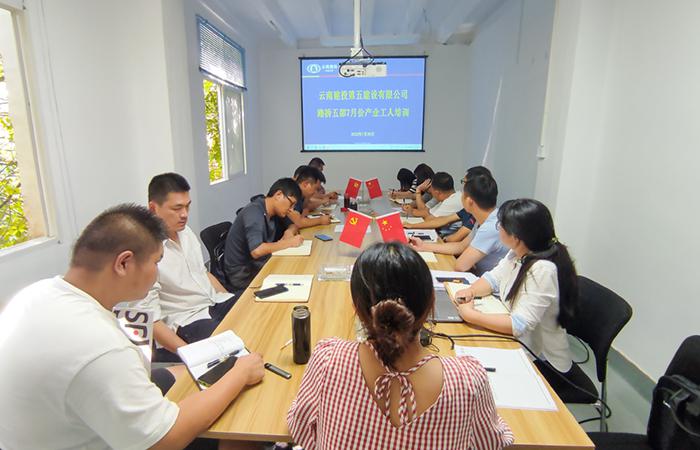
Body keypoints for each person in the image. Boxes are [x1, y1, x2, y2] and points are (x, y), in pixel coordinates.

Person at [0, 204, 264, 450]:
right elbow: (167, 440)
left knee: (188, 375)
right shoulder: (101, 345)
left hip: (46, 430)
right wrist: (240, 375)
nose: (157, 273)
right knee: (239, 427)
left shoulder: (37, 292)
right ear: (124, 263)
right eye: (156, 262)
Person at [287, 242, 513, 450]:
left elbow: (300, 428)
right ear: (431, 304)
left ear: (356, 307)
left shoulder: (329, 360)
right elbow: (491, 442)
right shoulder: (468, 380)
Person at [452, 199, 578, 383]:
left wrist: (472, 315)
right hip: (520, 346)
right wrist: (470, 291)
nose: (498, 229)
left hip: (544, 363)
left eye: (500, 226)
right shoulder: (516, 253)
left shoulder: (543, 270)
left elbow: (519, 325)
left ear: (516, 237)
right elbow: (492, 279)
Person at [137, 173, 236, 362]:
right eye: (177, 208)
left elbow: (203, 273)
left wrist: (230, 300)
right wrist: (191, 356)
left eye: (187, 206)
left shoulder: (186, 232)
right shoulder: (146, 252)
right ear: (153, 208)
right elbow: (152, 322)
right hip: (187, 320)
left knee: (251, 305)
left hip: (212, 302)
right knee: (230, 341)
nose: (184, 214)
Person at [410, 172, 508, 275]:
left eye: (463, 194)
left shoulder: (490, 227)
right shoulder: (485, 218)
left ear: (469, 201)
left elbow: (461, 265)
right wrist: (423, 246)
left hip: (483, 279)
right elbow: (461, 246)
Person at [223, 178, 304, 293]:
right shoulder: (254, 212)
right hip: (243, 274)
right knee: (293, 280)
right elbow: (257, 250)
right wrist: (288, 243)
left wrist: (289, 232)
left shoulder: (274, 210)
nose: (291, 210)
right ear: (278, 195)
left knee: (296, 271)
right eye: (291, 204)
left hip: (258, 264)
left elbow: (293, 225)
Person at [403, 166, 492, 243]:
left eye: (464, 182)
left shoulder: (485, 219)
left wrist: (443, 240)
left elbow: (459, 242)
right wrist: (412, 225)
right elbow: (442, 220)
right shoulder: (467, 208)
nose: (463, 188)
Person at [402, 172, 463, 237]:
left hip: (444, 237)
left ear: (437, 193)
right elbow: (427, 212)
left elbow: (430, 220)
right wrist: (412, 211)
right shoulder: (449, 197)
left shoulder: (452, 202)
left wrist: (411, 224)